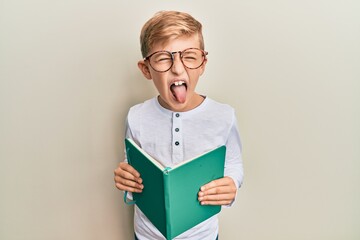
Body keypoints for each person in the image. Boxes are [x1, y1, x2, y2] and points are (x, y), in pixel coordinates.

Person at [114, 10, 243, 240]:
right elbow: (131, 165)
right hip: (146, 234)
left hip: (202, 235)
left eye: (190, 56)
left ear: (202, 63)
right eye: (164, 57)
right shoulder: (136, 116)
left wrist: (232, 183)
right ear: (146, 69)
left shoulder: (224, 116)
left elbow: (233, 164)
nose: (177, 68)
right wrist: (127, 180)